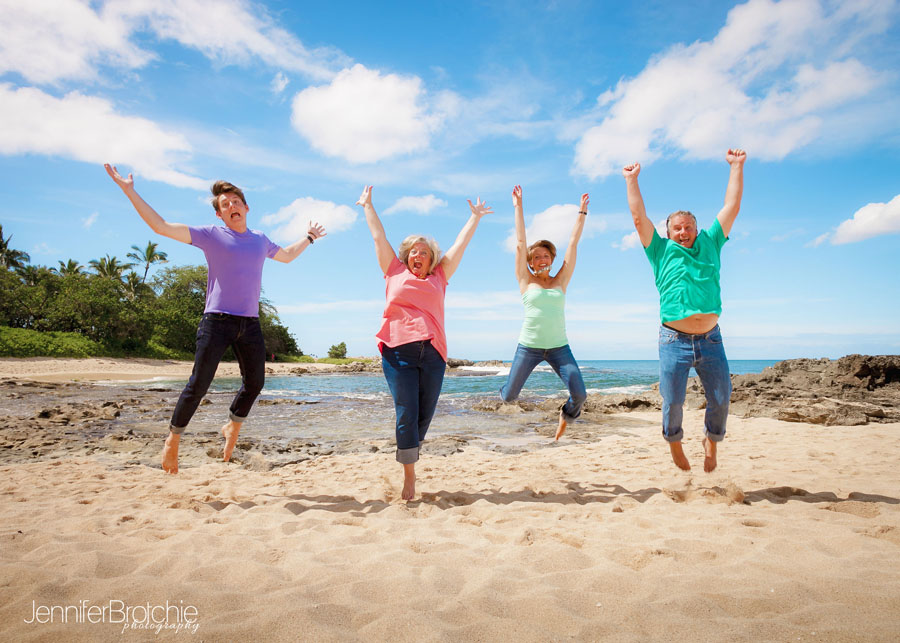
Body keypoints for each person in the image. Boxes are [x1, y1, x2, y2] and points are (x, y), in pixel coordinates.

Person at [105, 163, 326, 474]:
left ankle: (232, 427)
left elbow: (287, 255)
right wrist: (130, 191)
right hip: (216, 322)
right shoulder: (210, 235)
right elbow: (161, 226)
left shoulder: (260, 239)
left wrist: (309, 238)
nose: (232, 206)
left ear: (246, 207)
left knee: (256, 383)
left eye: (236, 201)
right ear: (219, 214)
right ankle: (173, 440)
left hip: (249, 324)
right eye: (225, 204)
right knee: (199, 384)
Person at [356, 185, 492, 500]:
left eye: (425, 252)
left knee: (424, 415)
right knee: (406, 412)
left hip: (433, 354)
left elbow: (460, 245)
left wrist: (474, 219)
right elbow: (379, 238)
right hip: (397, 351)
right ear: (407, 256)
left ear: (431, 259)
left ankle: (409, 455)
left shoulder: (439, 277)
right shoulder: (394, 271)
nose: (419, 255)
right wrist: (367, 206)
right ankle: (409, 477)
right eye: (414, 251)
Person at [622, 148, 746, 472]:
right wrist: (631, 180)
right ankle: (674, 442)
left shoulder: (711, 242)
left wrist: (736, 166)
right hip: (673, 341)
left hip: (711, 339)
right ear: (668, 232)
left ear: (696, 228)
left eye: (688, 226)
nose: (683, 231)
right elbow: (638, 218)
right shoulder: (660, 251)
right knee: (674, 400)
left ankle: (711, 442)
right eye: (677, 227)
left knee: (721, 397)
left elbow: (731, 207)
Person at [500, 185, 589, 441]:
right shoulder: (525, 280)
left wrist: (581, 213)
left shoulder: (560, 280)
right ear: (530, 262)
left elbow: (572, 244)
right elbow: (520, 242)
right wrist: (518, 207)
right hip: (529, 347)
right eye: (536, 256)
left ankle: (566, 415)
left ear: (551, 259)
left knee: (580, 394)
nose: (542, 259)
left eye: (546, 255)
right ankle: (502, 392)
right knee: (510, 397)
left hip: (560, 348)